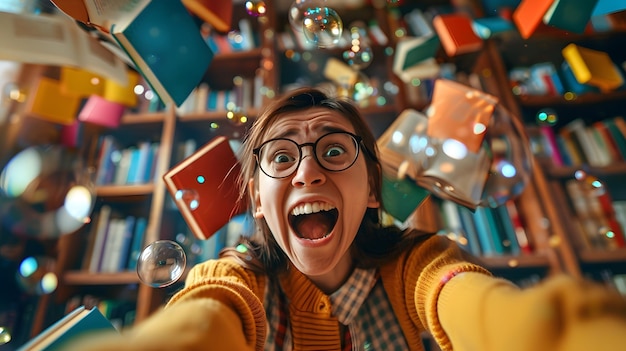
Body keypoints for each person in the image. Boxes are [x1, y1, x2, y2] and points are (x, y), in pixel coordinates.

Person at [68, 87, 626, 351]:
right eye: (282, 157)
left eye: (334, 151)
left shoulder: (418, 263)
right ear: (259, 200)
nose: (308, 173)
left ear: (373, 190)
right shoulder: (239, 280)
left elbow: (478, 305)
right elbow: (204, 322)